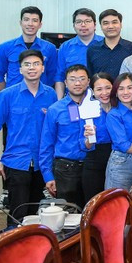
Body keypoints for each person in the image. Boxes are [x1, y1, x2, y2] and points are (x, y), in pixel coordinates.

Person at [0, 50, 57, 224]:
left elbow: (54, 129)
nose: (31, 68)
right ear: (20, 69)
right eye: (27, 64)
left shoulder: (51, 95)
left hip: (42, 164)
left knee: (35, 215)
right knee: (18, 215)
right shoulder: (7, 95)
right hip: (16, 162)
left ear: (42, 68)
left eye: (35, 64)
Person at [39, 65, 97, 206]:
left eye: (82, 79)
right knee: (68, 215)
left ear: (88, 81)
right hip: (65, 170)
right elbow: (46, 144)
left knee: (93, 214)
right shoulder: (55, 110)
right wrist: (48, 176)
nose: (78, 83)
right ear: (65, 82)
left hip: (93, 167)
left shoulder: (98, 106)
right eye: (73, 79)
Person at [0, 6, 59, 91]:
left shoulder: (50, 48)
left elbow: (52, 75)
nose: (30, 24)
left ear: (40, 25)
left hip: (40, 99)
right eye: (26, 19)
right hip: (14, 101)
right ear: (21, 23)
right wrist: (8, 95)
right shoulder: (5, 47)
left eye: (34, 20)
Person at [105, 73, 132, 191]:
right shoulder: (114, 115)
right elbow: (124, 145)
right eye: (121, 88)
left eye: (129, 87)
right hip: (122, 163)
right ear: (116, 93)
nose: (125, 92)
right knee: (118, 204)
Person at [82, 72, 114, 203]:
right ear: (92, 92)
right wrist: (89, 137)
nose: (104, 93)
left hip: (119, 159)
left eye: (108, 88)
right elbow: (85, 145)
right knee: (94, 205)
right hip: (94, 161)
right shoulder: (88, 110)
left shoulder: (121, 108)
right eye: (99, 89)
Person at [56, 8, 103, 96]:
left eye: (87, 21)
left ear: (95, 25)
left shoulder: (104, 44)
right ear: (74, 26)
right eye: (79, 22)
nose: (83, 25)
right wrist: (59, 101)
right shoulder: (65, 47)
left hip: (100, 97)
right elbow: (60, 76)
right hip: (73, 98)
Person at [87, 9, 132, 78]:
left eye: (114, 22)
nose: (110, 26)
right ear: (101, 26)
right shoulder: (92, 50)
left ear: (121, 25)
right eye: (106, 23)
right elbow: (90, 77)